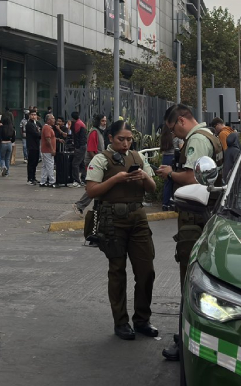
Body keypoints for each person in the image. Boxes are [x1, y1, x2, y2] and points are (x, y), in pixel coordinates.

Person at [158, 103, 224, 362]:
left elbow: (192, 177)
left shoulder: (196, 140)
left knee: (189, 281)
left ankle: (187, 340)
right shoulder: (209, 135)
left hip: (195, 217)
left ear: (182, 120)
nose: (174, 134)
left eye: (173, 128)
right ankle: (187, 333)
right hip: (205, 215)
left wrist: (170, 173)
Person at [85, 120, 157, 340]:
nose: (126, 143)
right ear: (110, 138)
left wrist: (144, 177)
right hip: (113, 220)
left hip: (138, 218)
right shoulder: (101, 159)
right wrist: (116, 179)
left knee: (146, 271)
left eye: (129, 139)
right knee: (117, 272)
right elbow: (92, 190)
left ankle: (142, 319)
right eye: (121, 139)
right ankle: (121, 322)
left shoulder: (138, 157)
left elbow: (152, 188)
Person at [24, 110, 42, 185]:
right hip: (31, 145)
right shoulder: (29, 124)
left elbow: (41, 130)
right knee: (31, 162)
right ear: (29, 115)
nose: (33, 116)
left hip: (37, 145)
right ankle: (30, 178)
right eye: (32, 115)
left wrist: (39, 132)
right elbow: (36, 134)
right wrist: (39, 132)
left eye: (35, 115)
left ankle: (33, 177)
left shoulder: (37, 123)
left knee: (35, 162)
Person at [40, 113, 57, 187]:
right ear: (48, 120)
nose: (54, 120)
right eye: (53, 118)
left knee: (45, 166)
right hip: (47, 150)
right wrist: (52, 149)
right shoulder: (47, 128)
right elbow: (48, 139)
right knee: (50, 165)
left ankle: (43, 181)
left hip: (45, 150)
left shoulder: (48, 127)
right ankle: (52, 181)